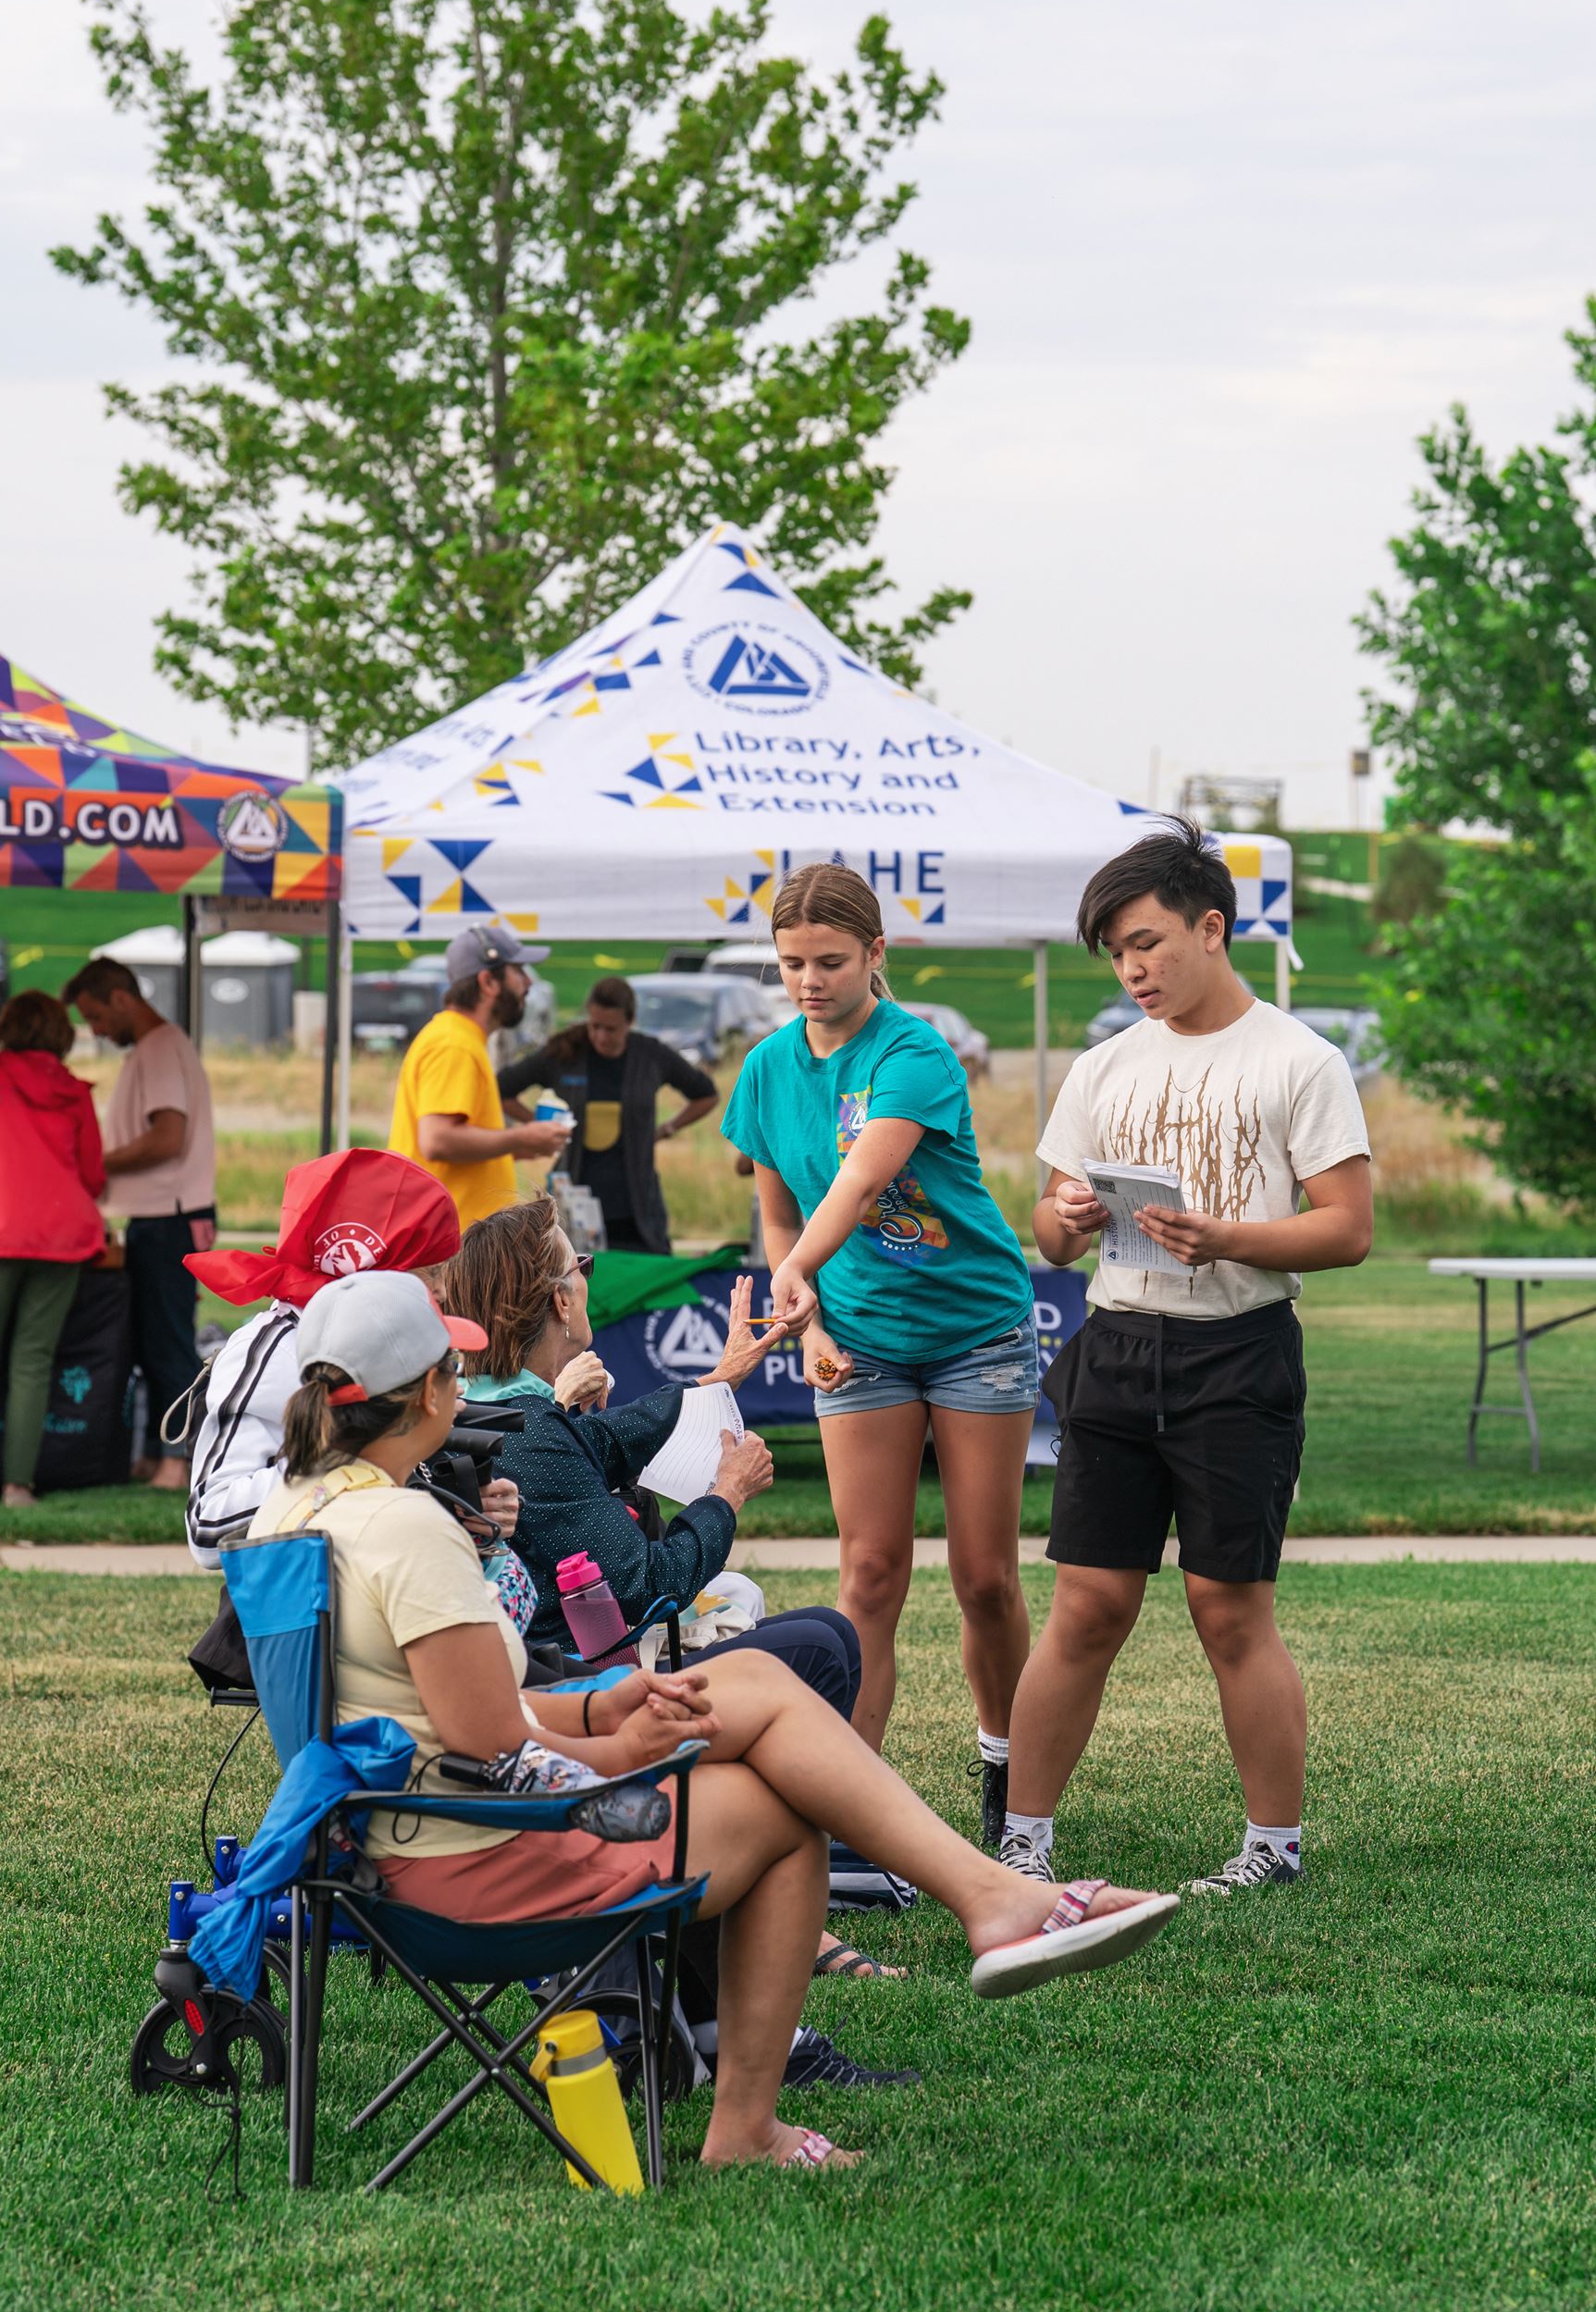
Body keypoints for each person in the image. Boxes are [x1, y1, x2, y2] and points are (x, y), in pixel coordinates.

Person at [249, 1267, 1178, 2170]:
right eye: (452, 1369)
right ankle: (759, 2113)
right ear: (423, 1394)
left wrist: (601, 1698)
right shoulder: (408, 1532)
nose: (465, 1382)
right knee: (781, 1815)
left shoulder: (294, 1511)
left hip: (383, 1852)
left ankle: (990, 1899)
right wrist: (619, 1744)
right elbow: (495, 1749)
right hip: (476, 1868)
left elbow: (441, 1711)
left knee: (755, 1689)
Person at [1001, 818, 1373, 1897]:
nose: (1132, 968)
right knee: (1085, 1605)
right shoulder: (1104, 1064)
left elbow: (1345, 1226)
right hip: (1114, 1346)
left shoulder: (1299, 1059)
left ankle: (1271, 1848)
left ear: (1212, 928)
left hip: (1237, 1354)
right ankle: (1022, 1837)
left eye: (1148, 941)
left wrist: (1226, 1236)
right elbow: (1047, 1228)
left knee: (1228, 1610)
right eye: (1116, 950)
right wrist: (1061, 1216)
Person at [445, 1196, 909, 1984]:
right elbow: (646, 1586)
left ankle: (796, 1872)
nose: (587, 1282)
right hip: (590, 1690)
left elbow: (605, 1438)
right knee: (823, 1647)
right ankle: (775, 1884)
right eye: (580, 1267)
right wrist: (725, 1496)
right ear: (561, 1299)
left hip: (548, 1688)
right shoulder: (533, 1434)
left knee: (808, 1639)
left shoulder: (498, 1409)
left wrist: (724, 1375)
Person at [723, 864, 1038, 1848]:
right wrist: (808, 1323)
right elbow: (776, 1211)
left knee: (983, 1574)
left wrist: (796, 1272)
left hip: (973, 1329)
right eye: (790, 964)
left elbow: (860, 1180)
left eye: (828, 961)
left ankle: (1007, 1770)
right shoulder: (768, 1067)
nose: (808, 980)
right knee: (868, 1571)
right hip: (855, 1337)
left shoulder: (915, 1051)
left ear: (874, 955)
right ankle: (848, 1816)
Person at [183, 1146, 495, 1565]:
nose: (442, 1292)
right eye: (428, 1273)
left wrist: (460, 1500)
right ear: (366, 1269)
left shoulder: (392, 1338)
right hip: (308, 1614)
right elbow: (209, 1528)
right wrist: (358, 1453)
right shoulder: (273, 1353)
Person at [62, 955, 217, 1491]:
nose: (97, 1031)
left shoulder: (162, 1049)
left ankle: (179, 1460)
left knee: (170, 1340)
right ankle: (154, 1454)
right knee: (152, 1339)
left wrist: (93, 1165)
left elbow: (167, 1138)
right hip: (156, 1212)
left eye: (97, 1016)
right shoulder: (154, 1051)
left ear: (122, 998)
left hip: (173, 1213)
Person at [499, 976, 719, 1254]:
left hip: (636, 1210)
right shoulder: (566, 1052)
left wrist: (667, 1128)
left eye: (611, 1029)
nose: (601, 1036)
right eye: (595, 1026)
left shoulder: (650, 1055)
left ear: (630, 1021)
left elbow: (706, 1094)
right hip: (572, 1206)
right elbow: (501, 1088)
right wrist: (538, 1126)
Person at [0, 991, 108, 1507]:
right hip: (63, 1234)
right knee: (32, 1360)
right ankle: (18, 1486)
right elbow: (93, 1176)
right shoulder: (75, 1092)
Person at [388, 923, 568, 1231]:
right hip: (449, 1250)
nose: (527, 983)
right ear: (488, 981)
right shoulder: (453, 1043)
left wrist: (511, 1147)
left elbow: (453, 1143)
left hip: (453, 1245)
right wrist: (521, 1137)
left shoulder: (461, 1039)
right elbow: (437, 1139)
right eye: (519, 971)